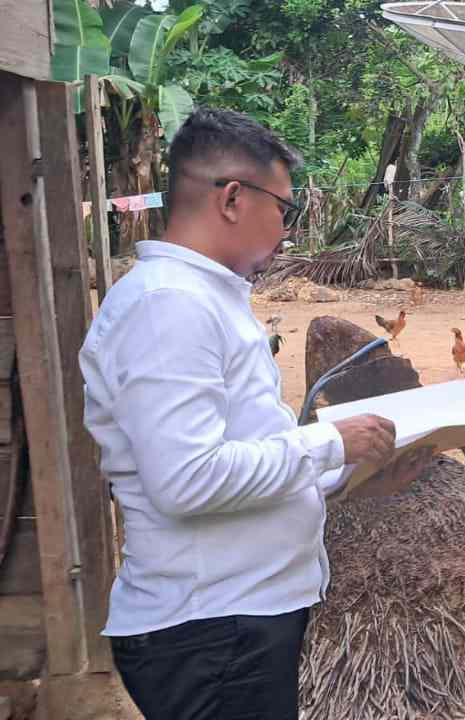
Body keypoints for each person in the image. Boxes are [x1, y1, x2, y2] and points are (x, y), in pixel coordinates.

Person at [79, 108, 403, 719]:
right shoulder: (169, 307)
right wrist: (332, 444)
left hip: (233, 620)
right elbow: (188, 480)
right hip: (210, 631)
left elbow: (246, 446)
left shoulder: (200, 299)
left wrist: (349, 473)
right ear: (232, 198)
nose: (286, 229)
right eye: (284, 208)